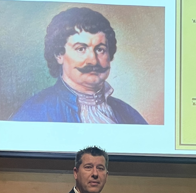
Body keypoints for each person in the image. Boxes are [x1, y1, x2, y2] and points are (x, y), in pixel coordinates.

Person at [10, 7, 148, 124]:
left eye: (100, 50)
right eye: (81, 49)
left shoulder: (128, 114)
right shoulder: (34, 112)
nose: (93, 60)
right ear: (59, 55)